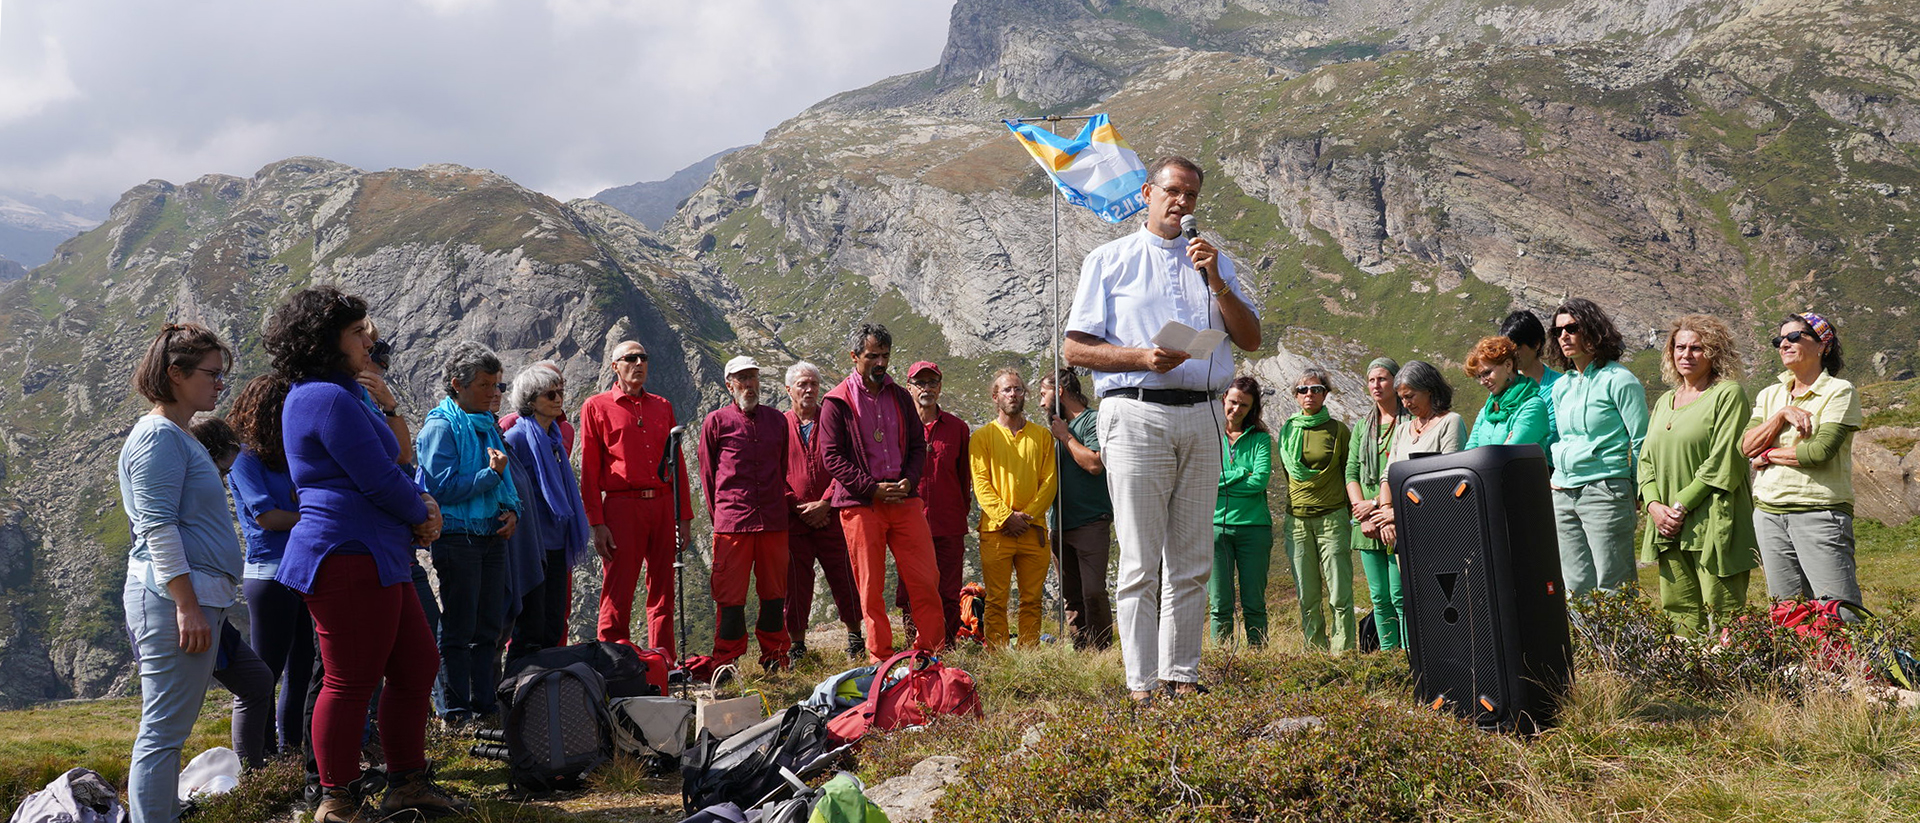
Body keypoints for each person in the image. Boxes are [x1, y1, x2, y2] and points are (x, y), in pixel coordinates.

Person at [1064, 155, 1262, 707]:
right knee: (1139, 557)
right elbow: (1075, 348)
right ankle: (1141, 685)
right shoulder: (1110, 260)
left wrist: (1219, 282)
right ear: (1149, 192)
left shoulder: (1215, 263)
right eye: (1173, 192)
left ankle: (1182, 675)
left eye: (1192, 196)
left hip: (1202, 412)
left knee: (1192, 556)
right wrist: (1138, 356)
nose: (1182, 204)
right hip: (1135, 410)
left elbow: (1248, 339)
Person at [268, 286, 465, 821]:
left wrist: (420, 506)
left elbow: (392, 465)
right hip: (346, 551)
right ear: (326, 340)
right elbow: (377, 478)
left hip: (377, 551)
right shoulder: (324, 397)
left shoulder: (336, 393)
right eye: (357, 332)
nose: (368, 338)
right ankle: (337, 799)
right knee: (349, 679)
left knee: (417, 663)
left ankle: (406, 782)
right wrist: (423, 513)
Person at [118, 322, 242, 823]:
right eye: (212, 374)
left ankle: (164, 809)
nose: (218, 385)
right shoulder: (158, 438)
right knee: (164, 729)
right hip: (173, 599)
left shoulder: (176, 435)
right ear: (175, 373)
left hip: (190, 594)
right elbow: (158, 530)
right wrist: (187, 606)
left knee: (169, 725)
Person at [819, 323, 946, 661]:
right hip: (862, 506)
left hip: (904, 500)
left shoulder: (901, 396)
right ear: (854, 356)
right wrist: (871, 488)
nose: (880, 363)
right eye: (872, 356)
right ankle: (880, 658)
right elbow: (831, 457)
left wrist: (909, 480)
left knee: (924, 578)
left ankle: (931, 652)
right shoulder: (836, 401)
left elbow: (918, 446)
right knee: (871, 587)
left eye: (885, 356)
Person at [417, 342, 520, 724]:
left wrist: (512, 512)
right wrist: (487, 475)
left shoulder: (487, 424)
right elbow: (439, 487)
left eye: (497, 385)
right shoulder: (440, 427)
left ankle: (485, 703)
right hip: (458, 537)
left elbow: (505, 483)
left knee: (489, 625)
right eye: (485, 385)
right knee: (460, 626)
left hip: (491, 535)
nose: (494, 393)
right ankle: (455, 708)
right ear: (458, 384)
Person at [1638, 315, 1757, 636]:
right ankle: (1687, 682)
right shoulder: (1665, 401)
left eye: (1696, 348)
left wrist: (1679, 507)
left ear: (1715, 353)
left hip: (1713, 525)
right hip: (1668, 526)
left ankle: (1732, 682)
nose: (1686, 355)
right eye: (1679, 347)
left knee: (1723, 616)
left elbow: (1725, 462)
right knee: (1679, 612)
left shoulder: (1727, 394)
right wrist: (1653, 507)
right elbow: (1645, 460)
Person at [580, 341, 694, 658]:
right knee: (618, 586)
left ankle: (664, 657)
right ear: (615, 365)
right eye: (631, 358)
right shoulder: (596, 406)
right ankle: (613, 658)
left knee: (663, 587)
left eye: (644, 357)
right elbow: (589, 469)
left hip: (661, 501)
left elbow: (677, 463)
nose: (639, 363)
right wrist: (597, 523)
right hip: (621, 505)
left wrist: (682, 516)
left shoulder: (662, 405)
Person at [1742, 312, 1864, 605]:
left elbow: (1819, 453)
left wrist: (1768, 454)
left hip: (1820, 512)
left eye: (1795, 336)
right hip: (1768, 514)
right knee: (1787, 612)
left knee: (1838, 609)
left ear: (1824, 345)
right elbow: (1746, 447)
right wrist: (1781, 415)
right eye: (1779, 339)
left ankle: (1852, 654)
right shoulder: (1770, 395)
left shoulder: (1839, 391)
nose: (1785, 343)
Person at [228, 374, 316, 757]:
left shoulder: (283, 455)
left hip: (300, 569)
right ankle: (259, 758)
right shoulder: (245, 458)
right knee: (266, 674)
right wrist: (316, 516)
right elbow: (265, 516)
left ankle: (290, 749)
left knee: (302, 668)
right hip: (269, 574)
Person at [189, 417, 280, 771]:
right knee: (172, 715)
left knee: (258, 680)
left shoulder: (199, 489)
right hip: (192, 608)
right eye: (224, 471)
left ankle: (252, 774)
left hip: (213, 607)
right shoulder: (184, 488)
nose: (226, 480)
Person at [1544, 297, 1649, 595]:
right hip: (1563, 494)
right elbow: (1562, 440)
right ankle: (1590, 644)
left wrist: (1635, 488)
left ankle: (1625, 644)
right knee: (1575, 586)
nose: (1564, 335)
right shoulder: (1561, 387)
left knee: (1613, 584)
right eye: (1557, 331)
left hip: (1605, 490)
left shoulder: (1620, 379)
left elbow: (1641, 440)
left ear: (1593, 330)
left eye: (1572, 328)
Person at [697, 356, 793, 671]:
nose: (749, 385)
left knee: (774, 595)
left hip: (772, 523)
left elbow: (782, 469)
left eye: (753, 378)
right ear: (729, 385)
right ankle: (727, 661)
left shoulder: (778, 420)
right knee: (729, 598)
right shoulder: (716, 421)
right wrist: (722, 517)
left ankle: (775, 656)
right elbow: (708, 475)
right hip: (733, 525)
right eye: (742, 379)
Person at [502, 361, 592, 660]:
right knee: (530, 625)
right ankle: (521, 687)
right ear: (530, 401)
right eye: (549, 395)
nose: (558, 399)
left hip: (556, 541)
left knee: (554, 622)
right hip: (530, 544)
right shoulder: (516, 438)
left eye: (560, 393)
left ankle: (550, 692)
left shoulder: (554, 439)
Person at [780, 361, 864, 660]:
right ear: (788, 389)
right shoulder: (780, 425)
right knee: (795, 584)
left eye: (813, 384)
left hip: (833, 515)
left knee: (844, 576)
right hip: (795, 519)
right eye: (802, 384)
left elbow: (846, 463)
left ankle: (855, 636)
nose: (809, 389)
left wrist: (827, 501)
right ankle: (797, 645)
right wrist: (795, 504)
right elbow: (773, 472)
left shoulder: (832, 421)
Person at [969, 369, 1058, 649]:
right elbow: (981, 485)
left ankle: (1029, 653)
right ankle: (998, 655)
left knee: (1032, 599)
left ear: (1025, 395)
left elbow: (1050, 482)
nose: (1013, 394)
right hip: (996, 532)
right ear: (995, 397)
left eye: (1018, 389)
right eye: (1007, 390)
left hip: (1034, 531)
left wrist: (1027, 517)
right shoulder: (982, 437)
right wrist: (1007, 517)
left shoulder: (1042, 437)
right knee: (996, 598)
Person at [1278, 370, 1355, 653]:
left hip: (1332, 518)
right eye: (1302, 389)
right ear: (1295, 395)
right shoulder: (1287, 430)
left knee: (1340, 592)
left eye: (1316, 388)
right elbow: (1289, 474)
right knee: (1307, 594)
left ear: (1326, 393)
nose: (1308, 394)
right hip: (1296, 519)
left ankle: (1343, 651)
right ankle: (1315, 653)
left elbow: (1349, 473)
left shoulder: (1338, 430)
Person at [1039, 368, 1114, 650]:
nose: (1041, 402)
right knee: (1071, 595)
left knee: (1093, 590)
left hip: (1090, 521)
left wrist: (1066, 437)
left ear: (1059, 391)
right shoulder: (1054, 428)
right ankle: (1081, 647)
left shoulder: (1092, 421)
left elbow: (1095, 464)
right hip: (1059, 523)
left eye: (1044, 394)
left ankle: (1102, 648)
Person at [903, 360, 970, 649]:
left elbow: (963, 477)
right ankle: (914, 646)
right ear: (909, 388)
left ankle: (948, 645)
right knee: (909, 588)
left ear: (940, 387)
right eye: (920, 383)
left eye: (932, 383)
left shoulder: (958, 428)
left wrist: (958, 512)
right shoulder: (899, 428)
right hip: (908, 523)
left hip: (948, 522)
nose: (926, 389)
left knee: (949, 589)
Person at [1367, 361, 1463, 549]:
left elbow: (1450, 479)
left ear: (1429, 389)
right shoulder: (1403, 430)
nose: (1406, 404)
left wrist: (1398, 513)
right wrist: (1386, 512)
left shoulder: (1450, 422)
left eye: (1410, 396)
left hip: (1439, 530)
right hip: (1405, 531)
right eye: (1402, 398)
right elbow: (1388, 474)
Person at [1346, 358, 1407, 651]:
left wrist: (1374, 505)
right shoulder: (1362, 427)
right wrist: (1362, 512)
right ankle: (1388, 656)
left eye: (1382, 379)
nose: (1376, 385)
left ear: (1396, 382)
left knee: (1402, 595)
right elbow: (1351, 473)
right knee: (1380, 597)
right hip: (1367, 524)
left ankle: (1412, 654)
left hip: (1397, 516)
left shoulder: (1409, 423)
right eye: (1371, 380)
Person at [1210, 376, 1275, 648]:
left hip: (1254, 528)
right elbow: (1204, 479)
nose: (1236, 409)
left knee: (1254, 602)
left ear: (1252, 409)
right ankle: (1218, 659)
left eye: (1244, 406)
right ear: (1224, 398)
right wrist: (1239, 473)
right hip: (1216, 529)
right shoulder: (1208, 434)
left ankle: (1258, 657)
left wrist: (1220, 484)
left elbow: (1260, 481)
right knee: (1219, 604)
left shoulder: (1260, 438)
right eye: (1233, 402)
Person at [1462, 336, 1551, 453]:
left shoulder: (1533, 406)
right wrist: (1501, 449)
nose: (1482, 381)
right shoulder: (1486, 411)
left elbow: (1509, 455)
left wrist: (1499, 452)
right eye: (1479, 376)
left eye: (1487, 373)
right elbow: (1469, 453)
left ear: (1508, 365)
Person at [1499, 310, 1561, 393]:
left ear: (1536, 344)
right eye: (1508, 349)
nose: (1511, 355)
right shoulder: (1503, 387)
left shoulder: (1559, 386)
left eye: (1517, 348)